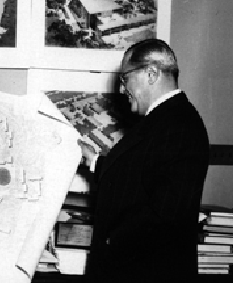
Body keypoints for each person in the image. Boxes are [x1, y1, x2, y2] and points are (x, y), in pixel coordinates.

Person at [80, 39, 209, 283]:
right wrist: (93, 159)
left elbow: (167, 213)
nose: (121, 89)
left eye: (125, 78)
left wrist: (111, 241)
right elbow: (136, 179)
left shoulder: (179, 126)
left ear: (151, 74)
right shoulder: (166, 120)